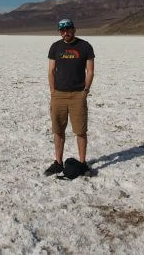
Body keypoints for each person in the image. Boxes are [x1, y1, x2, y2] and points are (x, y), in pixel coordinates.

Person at [44, 18, 94, 177]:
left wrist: (85, 91)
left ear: (74, 29)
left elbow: (90, 71)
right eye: (62, 30)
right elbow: (51, 70)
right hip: (58, 95)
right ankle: (58, 163)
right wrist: (53, 91)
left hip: (78, 95)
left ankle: (83, 163)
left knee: (80, 130)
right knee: (58, 130)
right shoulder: (55, 47)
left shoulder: (85, 46)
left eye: (68, 29)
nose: (65, 33)